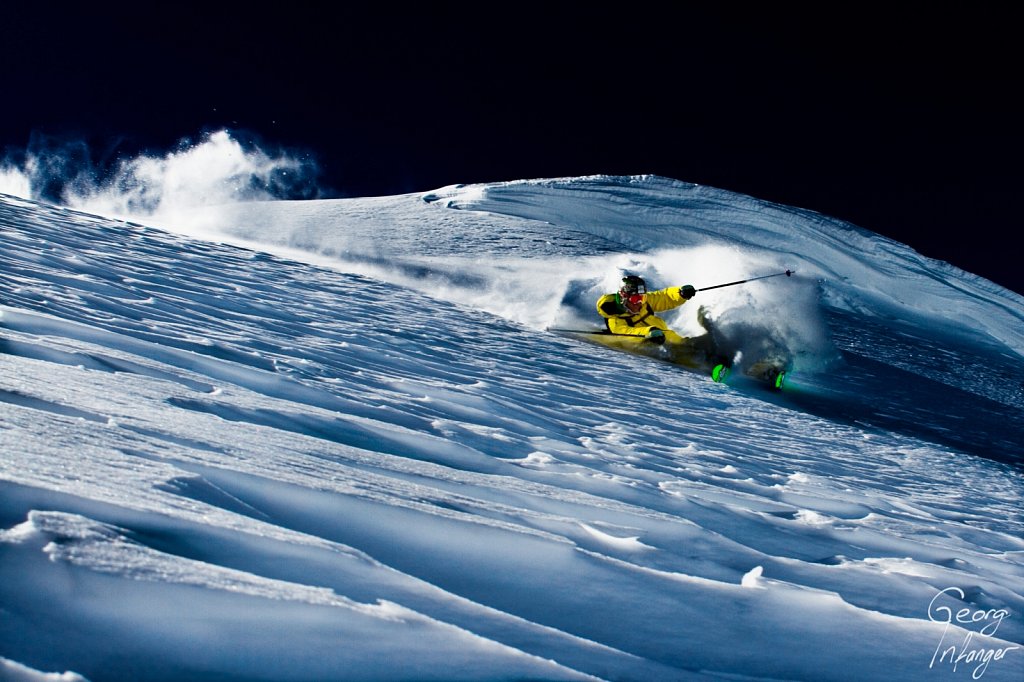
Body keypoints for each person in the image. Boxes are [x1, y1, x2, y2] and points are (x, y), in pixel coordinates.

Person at [596, 274, 697, 344]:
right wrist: (648, 333)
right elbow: (626, 334)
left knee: (686, 344)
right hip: (654, 345)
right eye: (636, 299)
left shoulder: (644, 304)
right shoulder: (616, 319)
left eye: (642, 298)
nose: (640, 302)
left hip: (669, 339)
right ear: (624, 297)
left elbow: (664, 297)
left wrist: (680, 293)